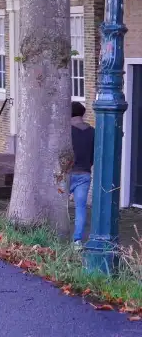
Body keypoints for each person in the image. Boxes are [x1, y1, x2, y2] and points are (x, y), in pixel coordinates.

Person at [71, 101, 94, 245]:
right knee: (80, 208)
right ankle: (77, 241)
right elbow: (93, 154)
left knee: (58, 206)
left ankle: (56, 234)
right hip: (84, 174)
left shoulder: (66, 131)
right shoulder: (93, 131)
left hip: (66, 174)